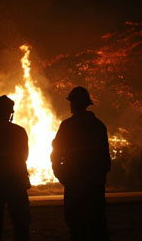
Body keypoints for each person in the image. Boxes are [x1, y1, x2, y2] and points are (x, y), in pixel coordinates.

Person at [51, 86, 111, 241]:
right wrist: (100, 176)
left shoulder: (67, 126)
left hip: (74, 182)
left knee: (75, 224)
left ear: (75, 104)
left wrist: (62, 176)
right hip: (94, 184)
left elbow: (56, 154)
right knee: (97, 224)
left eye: (72, 102)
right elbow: (105, 158)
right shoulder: (98, 126)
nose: (71, 105)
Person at [0, 95, 31, 241]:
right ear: (10, 112)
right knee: (21, 223)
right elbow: (24, 155)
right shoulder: (19, 131)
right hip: (16, 181)